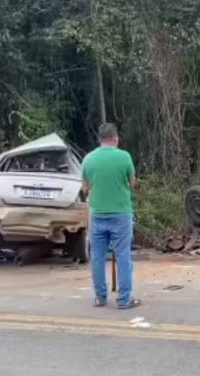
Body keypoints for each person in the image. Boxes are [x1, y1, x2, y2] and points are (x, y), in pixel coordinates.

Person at [82, 123, 140, 309]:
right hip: (121, 214)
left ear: (99, 140)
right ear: (116, 139)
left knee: (97, 257)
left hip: (98, 215)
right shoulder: (124, 157)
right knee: (123, 256)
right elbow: (132, 184)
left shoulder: (88, 159)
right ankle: (124, 300)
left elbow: (85, 189)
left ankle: (100, 297)